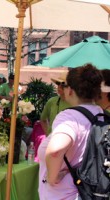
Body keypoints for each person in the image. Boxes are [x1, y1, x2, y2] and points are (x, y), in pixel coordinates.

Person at [38, 63, 103, 200]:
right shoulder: (101, 115)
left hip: (63, 194)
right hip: (89, 191)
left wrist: (52, 178)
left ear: (71, 90)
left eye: (65, 85)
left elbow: (55, 150)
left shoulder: (70, 117)